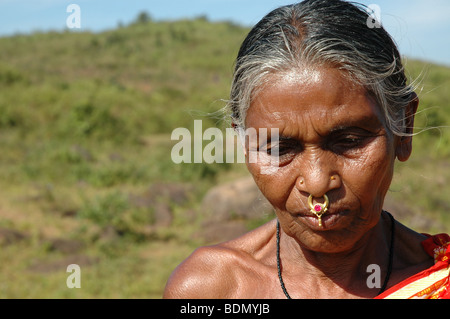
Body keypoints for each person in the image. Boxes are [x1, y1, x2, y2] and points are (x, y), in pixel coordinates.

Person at [163, 0, 450, 299]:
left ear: (403, 127)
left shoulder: (438, 281)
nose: (316, 184)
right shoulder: (212, 290)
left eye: (349, 141)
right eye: (279, 149)